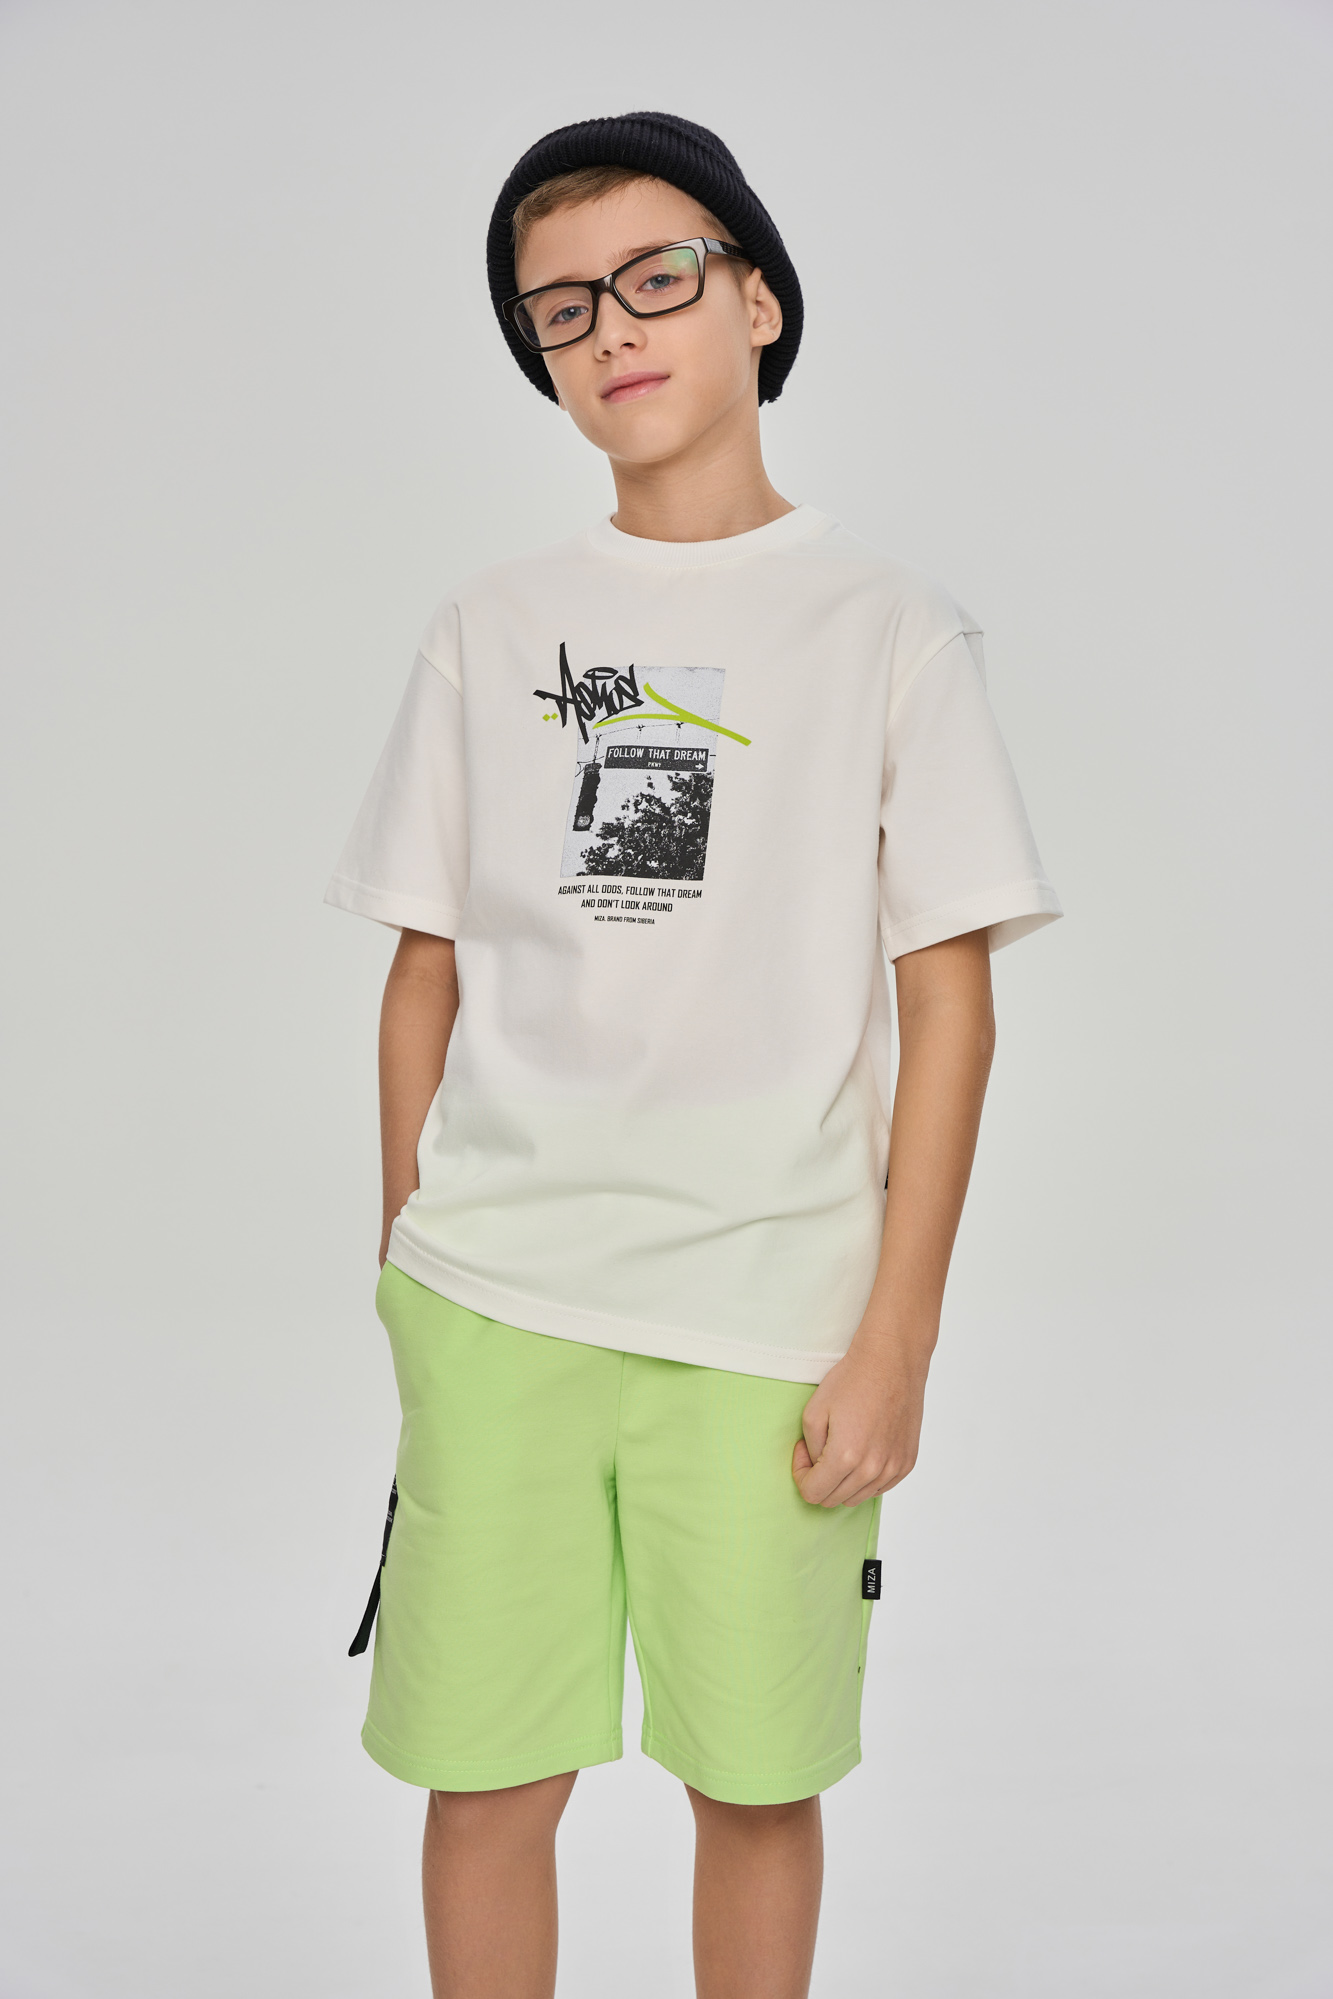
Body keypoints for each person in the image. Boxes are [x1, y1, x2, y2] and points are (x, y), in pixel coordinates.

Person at [326, 110, 1062, 1999]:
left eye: (655, 277)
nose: (611, 328)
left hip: (767, 1321)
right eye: (558, 308)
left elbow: (949, 1000)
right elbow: (424, 964)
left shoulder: (887, 625)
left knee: (754, 1779)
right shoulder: (493, 623)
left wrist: (895, 1336)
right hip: (498, 1301)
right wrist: (409, 1247)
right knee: (487, 1777)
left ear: (757, 300)